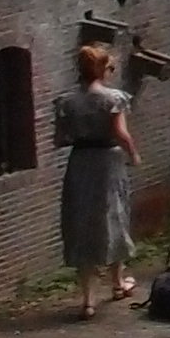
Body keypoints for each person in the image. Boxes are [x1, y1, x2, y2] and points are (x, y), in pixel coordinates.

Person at [52, 40, 140, 319]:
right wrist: (134, 154)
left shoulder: (67, 102)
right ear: (104, 70)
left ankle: (88, 300)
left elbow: (60, 139)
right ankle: (117, 284)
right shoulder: (113, 99)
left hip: (80, 162)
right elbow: (120, 133)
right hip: (108, 162)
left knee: (82, 220)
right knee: (114, 214)